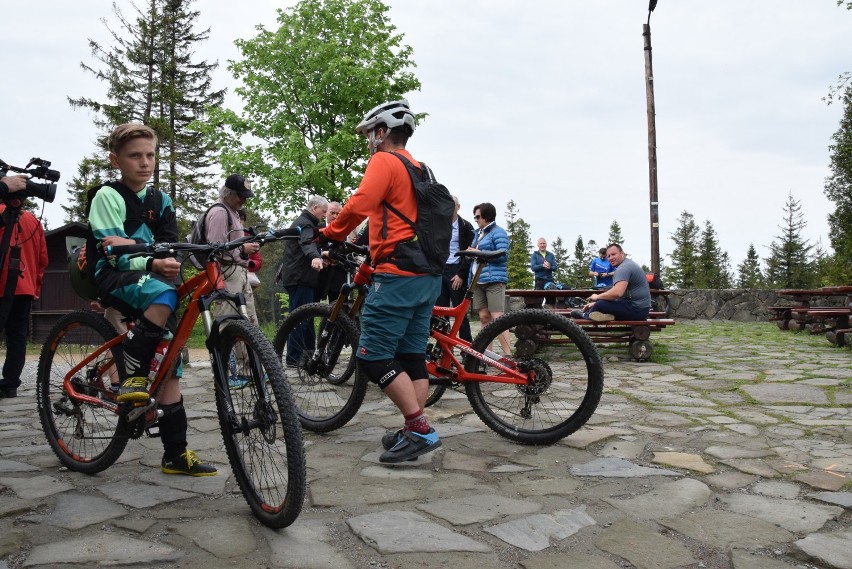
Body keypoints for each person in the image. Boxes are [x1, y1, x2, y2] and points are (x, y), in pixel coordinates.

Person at [88, 123, 216, 476]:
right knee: (162, 292)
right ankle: (132, 365)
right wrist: (152, 259)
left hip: (152, 277)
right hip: (115, 274)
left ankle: (175, 455)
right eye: (135, 156)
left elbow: (169, 241)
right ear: (116, 160)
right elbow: (113, 248)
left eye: (150, 155)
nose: (145, 163)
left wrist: (167, 259)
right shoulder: (108, 196)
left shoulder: (160, 200)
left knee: (171, 360)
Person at [320, 99, 442, 464]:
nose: (368, 142)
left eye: (370, 134)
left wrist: (331, 232)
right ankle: (413, 428)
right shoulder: (422, 169)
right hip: (428, 274)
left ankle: (419, 428)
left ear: (381, 132)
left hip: (398, 274)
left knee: (373, 354)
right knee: (411, 355)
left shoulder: (384, 161)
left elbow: (360, 204)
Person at [0, 176, 48, 399]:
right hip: (25, 287)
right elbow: (41, 260)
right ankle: (10, 384)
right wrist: (35, 288)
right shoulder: (33, 221)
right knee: (17, 337)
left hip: (2, 285)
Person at [205, 176, 262, 327]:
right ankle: (224, 351)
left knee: (249, 324)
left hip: (239, 271)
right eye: (240, 196)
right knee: (228, 320)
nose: (244, 200)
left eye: (246, 196)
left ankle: (249, 351)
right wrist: (243, 248)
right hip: (227, 272)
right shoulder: (219, 212)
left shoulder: (233, 212)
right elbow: (216, 249)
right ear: (228, 193)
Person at [280, 195, 327, 366]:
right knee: (300, 319)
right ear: (314, 208)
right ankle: (294, 358)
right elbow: (307, 242)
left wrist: (322, 255)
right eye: (323, 211)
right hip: (301, 278)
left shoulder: (304, 221)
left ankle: (307, 356)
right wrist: (315, 257)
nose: (324, 215)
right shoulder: (306, 223)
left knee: (304, 318)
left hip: (298, 277)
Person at [469, 202, 511, 354]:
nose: (476, 219)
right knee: (484, 318)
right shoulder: (477, 233)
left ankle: (508, 356)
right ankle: (487, 357)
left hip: (494, 281)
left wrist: (477, 252)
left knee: (498, 319)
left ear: (487, 216)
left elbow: (503, 254)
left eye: (478, 216)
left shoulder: (498, 232)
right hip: (478, 281)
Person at [573, 243, 651, 322]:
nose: (611, 258)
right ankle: (607, 315)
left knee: (600, 305)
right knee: (600, 303)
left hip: (637, 311)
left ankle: (585, 315)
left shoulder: (623, 268)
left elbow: (617, 293)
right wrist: (595, 303)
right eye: (609, 256)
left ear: (622, 253)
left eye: (613, 254)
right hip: (641, 310)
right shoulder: (628, 264)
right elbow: (620, 296)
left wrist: (597, 297)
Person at [435, 196, 474, 343]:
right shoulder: (439, 225)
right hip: (440, 270)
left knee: (460, 313)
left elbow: (470, 252)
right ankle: (444, 349)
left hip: (456, 271)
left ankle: (467, 351)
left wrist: (461, 274)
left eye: (452, 205)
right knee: (440, 313)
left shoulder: (466, 226)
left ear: (458, 207)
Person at [315, 201, 349, 303]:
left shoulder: (347, 230)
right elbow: (311, 247)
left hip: (338, 276)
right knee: (310, 308)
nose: (335, 216)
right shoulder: (317, 228)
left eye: (338, 214)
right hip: (318, 275)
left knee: (339, 310)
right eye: (332, 213)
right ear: (326, 213)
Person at [236, 208, 263, 289]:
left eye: (242, 219)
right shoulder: (226, 235)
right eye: (238, 218)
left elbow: (258, 260)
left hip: (245, 275)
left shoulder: (249, 237)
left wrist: (249, 263)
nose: (240, 221)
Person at [530, 237, 557, 310]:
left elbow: (555, 268)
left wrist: (549, 266)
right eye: (541, 243)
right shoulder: (535, 255)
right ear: (538, 245)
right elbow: (533, 268)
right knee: (537, 301)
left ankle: (552, 319)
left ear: (546, 244)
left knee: (551, 301)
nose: (542, 245)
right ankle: (538, 319)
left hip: (549, 281)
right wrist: (542, 265)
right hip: (539, 281)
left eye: (543, 243)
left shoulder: (551, 255)